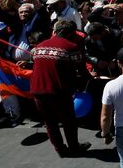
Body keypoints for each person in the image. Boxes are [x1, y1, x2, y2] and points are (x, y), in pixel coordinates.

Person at [30, 20, 91, 158]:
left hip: (37, 90)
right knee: (69, 121)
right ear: (71, 33)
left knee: (50, 123)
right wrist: (89, 80)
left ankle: (60, 150)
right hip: (58, 91)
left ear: (55, 31)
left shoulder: (39, 46)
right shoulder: (72, 47)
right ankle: (74, 148)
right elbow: (81, 70)